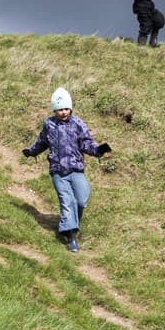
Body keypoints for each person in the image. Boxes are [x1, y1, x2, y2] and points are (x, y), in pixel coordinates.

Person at [22, 88, 112, 252]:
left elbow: (86, 143)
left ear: (70, 108)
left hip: (76, 169)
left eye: (66, 108)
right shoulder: (49, 125)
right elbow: (42, 142)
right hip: (58, 171)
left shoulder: (78, 124)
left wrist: (98, 150)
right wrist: (31, 152)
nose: (63, 112)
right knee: (67, 201)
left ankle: (71, 223)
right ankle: (71, 236)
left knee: (81, 199)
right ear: (54, 110)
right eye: (59, 109)